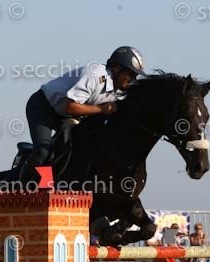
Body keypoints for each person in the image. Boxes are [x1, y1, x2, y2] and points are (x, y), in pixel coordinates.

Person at [19, 46, 146, 182]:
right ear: (117, 68)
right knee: (43, 152)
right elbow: (69, 107)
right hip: (43, 107)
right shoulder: (95, 75)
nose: (133, 79)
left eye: (135, 76)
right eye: (130, 74)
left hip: (68, 115)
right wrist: (101, 109)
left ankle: (50, 182)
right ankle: (20, 186)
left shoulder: (120, 91)